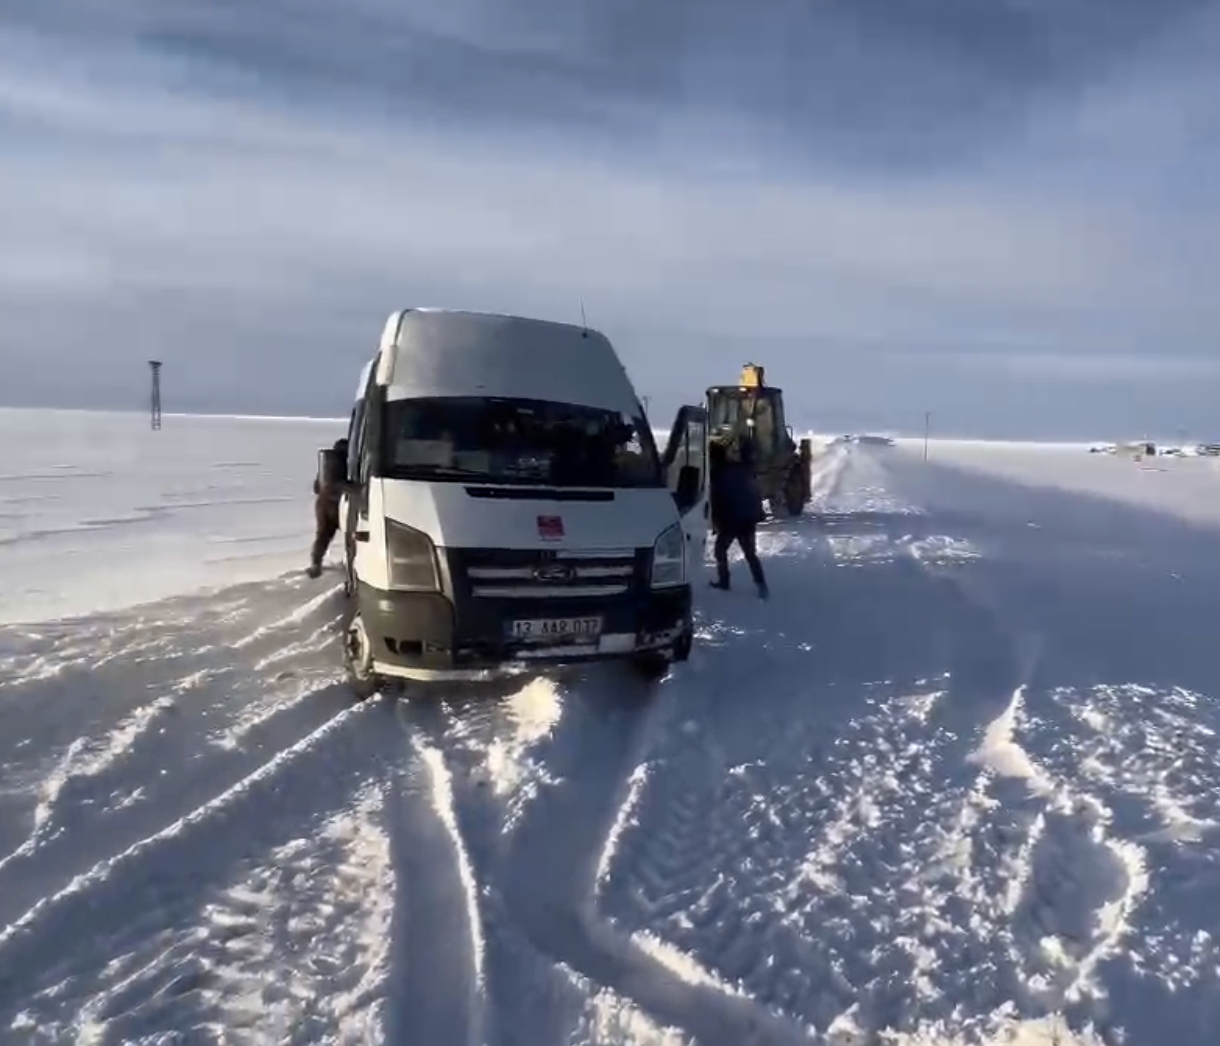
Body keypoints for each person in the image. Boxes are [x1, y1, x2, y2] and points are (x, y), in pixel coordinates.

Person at [708, 437, 769, 598]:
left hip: (731, 519)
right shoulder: (743, 469)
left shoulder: (718, 474)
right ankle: (762, 585)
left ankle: (724, 582)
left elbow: (717, 500)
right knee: (750, 554)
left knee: (720, 550)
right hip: (747, 519)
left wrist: (716, 521)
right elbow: (754, 493)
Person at [308, 437, 349, 578]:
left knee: (322, 536)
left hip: (322, 504)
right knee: (353, 535)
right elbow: (346, 484)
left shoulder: (326, 466)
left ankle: (315, 563)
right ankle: (352, 565)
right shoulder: (345, 463)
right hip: (339, 505)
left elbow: (316, 487)